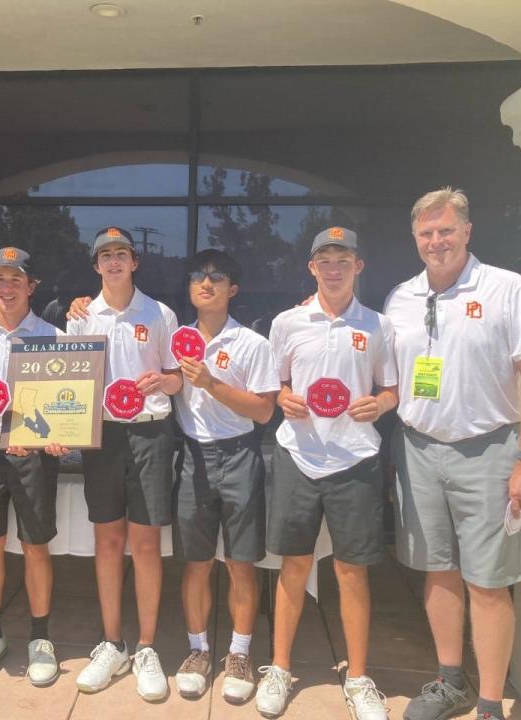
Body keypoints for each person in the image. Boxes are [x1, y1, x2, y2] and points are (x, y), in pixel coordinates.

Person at [384, 188, 521, 720]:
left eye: (446, 231)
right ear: (415, 240)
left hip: (490, 450)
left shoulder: (507, 289)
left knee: (487, 580)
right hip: (417, 447)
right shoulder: (401, 298)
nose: (437, 242)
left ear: (467, 232)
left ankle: (488, 704)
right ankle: (451, 681)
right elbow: (391, 378)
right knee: (437, 570)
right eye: (426, 234)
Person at [256, 227, 398, 719]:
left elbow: (391, 390)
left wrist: (378, 404)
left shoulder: (379, 326)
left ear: (358, 266)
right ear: (312, 268)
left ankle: (358, 677)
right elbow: (275, 385)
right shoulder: (288, 322)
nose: (333, 268)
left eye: (344, 258)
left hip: (355, 459)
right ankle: (278, 667)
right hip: (298, 456)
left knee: (351, 572)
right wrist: (282, 397)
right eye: (324, 260)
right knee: (293, 566)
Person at [66, 227, 182, 701]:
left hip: (151, 433)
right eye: (105, 255)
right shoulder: (79, 317)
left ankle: (147, 646)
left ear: (135, 262)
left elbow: (178, 380)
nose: (113, 262)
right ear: (96, 266)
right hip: (103, 435)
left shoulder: (160, 313)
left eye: (121, 254)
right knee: (108, 538)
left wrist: (164, 381)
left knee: (147, 541)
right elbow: (67, 386)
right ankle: (111, 642)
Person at [170, 250, 279, 704]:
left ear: (233, 289)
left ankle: (238, 652)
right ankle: (197, 650)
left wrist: (212, 383)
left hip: (239, 455)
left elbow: (264, 411)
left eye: (217, 278)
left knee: (240, 562)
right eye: (199, 277)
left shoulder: (253, 344)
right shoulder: (173, 341)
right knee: (195, 562)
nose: (206, 284)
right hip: (192, 456)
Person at [0, 247, 61, 687]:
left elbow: (65, 404)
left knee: (36, 545)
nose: (6, 288)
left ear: (31, 287)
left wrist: (61, 434)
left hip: (33, 457)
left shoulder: (54, 337)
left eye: (15, 280)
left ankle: (41, 639)